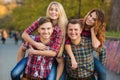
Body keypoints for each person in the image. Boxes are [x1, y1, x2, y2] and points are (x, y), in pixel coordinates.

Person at [11, 1, 68, 80]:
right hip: (36, 56)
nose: (53, 12)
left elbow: (54, 53)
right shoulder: (41, 21)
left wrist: (35, 52)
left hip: (52, 58)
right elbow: (24, 34)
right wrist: (36, 44)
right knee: (15, 73)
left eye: (56, 10)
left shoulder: (61, 29)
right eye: (51, 9)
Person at [65, 8, 106, 80]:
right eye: (90, 15)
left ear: (97, 23)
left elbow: (98, 47)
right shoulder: (80, 23)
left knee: (102, 72)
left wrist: (92, 31)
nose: (90, 19)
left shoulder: (96, 31)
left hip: (87, 55)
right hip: (74, 52)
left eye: (94, 19)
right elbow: (68, 40)